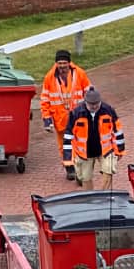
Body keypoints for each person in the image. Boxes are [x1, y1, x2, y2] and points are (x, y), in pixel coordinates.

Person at [40, 49, 91, 181]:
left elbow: (89, 93)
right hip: (60, 119)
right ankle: (70, 169)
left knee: (80, 143)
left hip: (79, 117)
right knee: (64, 146)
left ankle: (79, 167)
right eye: (59, 63)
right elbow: (45, 100)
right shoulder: (49, 78)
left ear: (69, 63)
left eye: (64, 63)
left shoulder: (79, 74)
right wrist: (47, 120)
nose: (62, 66)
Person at [62, 87, 124, 190]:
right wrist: (67, 158)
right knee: (86, 179)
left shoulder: (108, 110)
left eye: (97, 104)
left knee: (109, 172)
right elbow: (68, 136)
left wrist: (120, 150)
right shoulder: (76, 113)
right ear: (85, 102)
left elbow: (118, 130)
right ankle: (91, 197)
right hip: (84, 153)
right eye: (91, 104)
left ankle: (104, 196)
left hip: (105, 150)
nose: (94, 106)